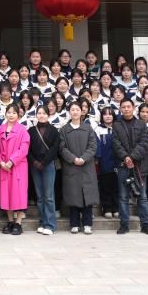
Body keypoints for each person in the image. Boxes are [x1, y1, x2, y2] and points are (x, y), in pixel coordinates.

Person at [112, 98, 148, 236]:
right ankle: (124, 225)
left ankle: (145, 225)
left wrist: (132, 157)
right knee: (123, 196)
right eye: (123, 107)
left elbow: (144, 143)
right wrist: (126, 157)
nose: (126, 109)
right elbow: (116, 144)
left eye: (128, 106)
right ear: (120, 109)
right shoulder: (116, 125)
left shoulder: (141, 124)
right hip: (123, 165)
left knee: (142, 196)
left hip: (139, 165)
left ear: (134, 108)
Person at [60, 101, 99, 235]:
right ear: (69, 112)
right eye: (73, 110)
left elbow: (93, 146)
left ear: (82, 112)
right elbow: (62, 148)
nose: (75, 112)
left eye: (77, 109)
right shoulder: (64, 130)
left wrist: (83, 158)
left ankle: (88, 223)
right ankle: (74, 223)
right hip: (71, 167)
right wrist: (73, 159)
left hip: (86, 166)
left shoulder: (88, 129)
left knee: (87, 195)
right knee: (73, 195)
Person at [0, 104, 30, 235]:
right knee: (6, 194)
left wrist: (11, 161)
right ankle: (10, 221)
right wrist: (0, 161)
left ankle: (18, 223)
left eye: (14, 113)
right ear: (5, 114)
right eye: (9, 112)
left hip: (18, 166)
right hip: (4, 166)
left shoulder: (22, 130)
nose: (11, 115)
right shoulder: (0, 130)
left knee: (18, 193)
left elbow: (24, 148)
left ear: (18, 115)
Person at [28, 105, 60, 235]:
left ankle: (50, 224)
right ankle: (42, 222)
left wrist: (44, 162)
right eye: (39, 113)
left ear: (48, 115)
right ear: (36, 115)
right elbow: (27, 149)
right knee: (40, 196)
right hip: (35, 165)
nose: (41, 115)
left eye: (44, 113)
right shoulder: (31, 130)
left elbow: (55, 148)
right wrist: (34, 162)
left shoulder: (54, 130)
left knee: (49, 196)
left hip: (48, 165)